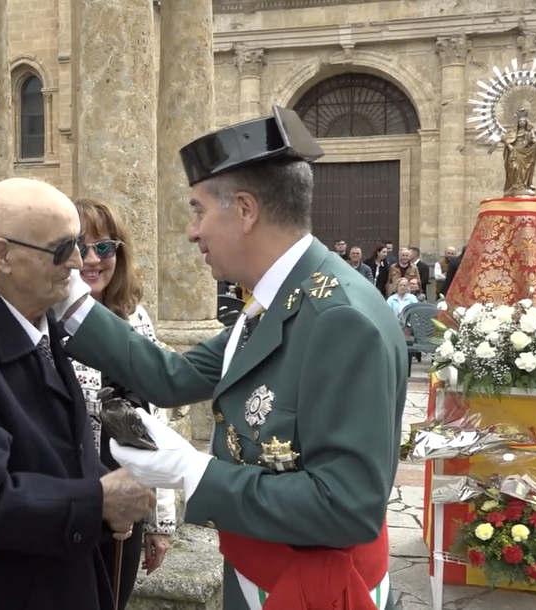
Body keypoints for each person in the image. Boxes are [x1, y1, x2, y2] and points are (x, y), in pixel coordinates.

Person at [57, 106, 406, 610]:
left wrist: (194, 472)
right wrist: (72, 304)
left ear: (244, 210)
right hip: (258, 570)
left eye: (198, 211)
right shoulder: (275, 300)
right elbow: (174, 376)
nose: (192, 232)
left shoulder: (338, 318)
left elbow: (346, 506)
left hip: (310, 588)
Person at [0, 178, 155, 610]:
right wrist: (98, 501)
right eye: (62, 249)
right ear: (3, 254)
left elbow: (60, 451)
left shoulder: (39, 316)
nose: (78, 262)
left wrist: (114, 489)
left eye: (78, 244)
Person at [72, 197, 175, 608]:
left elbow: (155, 424)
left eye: (103, 247)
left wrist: (159, 520)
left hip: (129, 501)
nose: (92, 259)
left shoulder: (136, 319)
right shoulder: (45, 319)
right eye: (79, 246)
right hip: (72, 501)